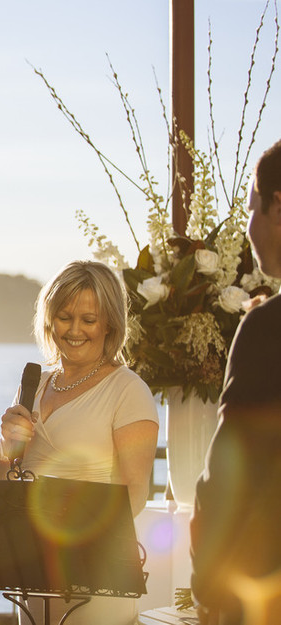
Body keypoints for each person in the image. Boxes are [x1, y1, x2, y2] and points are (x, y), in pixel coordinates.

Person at [0, 260, 159, 625]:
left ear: (110, 322)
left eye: (89, 320)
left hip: (94, 579)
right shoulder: (34, 385)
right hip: (32, 577)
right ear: (49, 320)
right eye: (64, 317)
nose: (75, 330)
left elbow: (136, 496)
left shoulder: (129, 391)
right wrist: (5, 450)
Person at [192, 139, 281, 625]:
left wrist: (208, 585)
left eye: (251, 206)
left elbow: (227, 477)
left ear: (278, 205)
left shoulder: (269, 327)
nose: (248, 227)